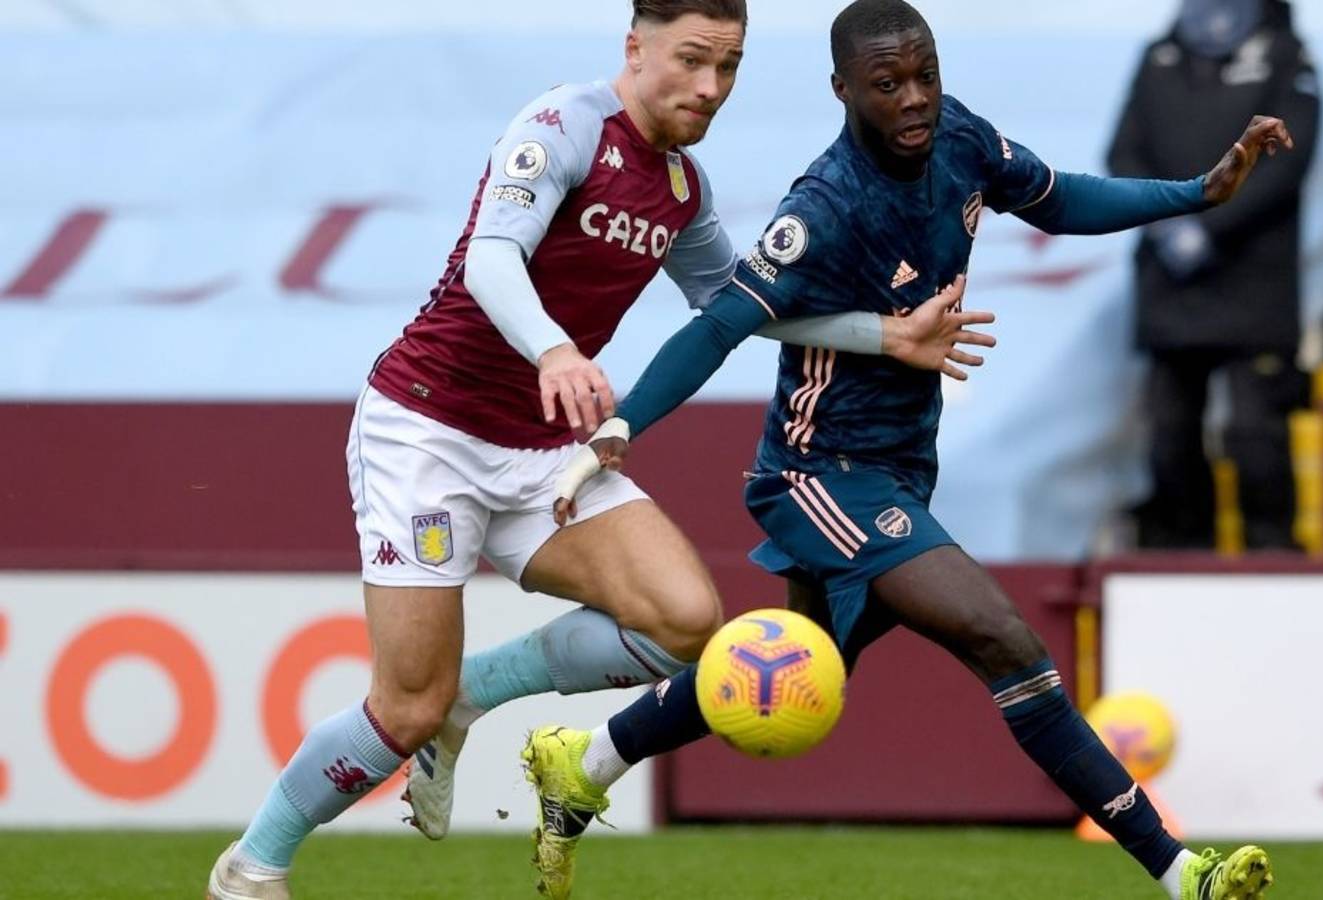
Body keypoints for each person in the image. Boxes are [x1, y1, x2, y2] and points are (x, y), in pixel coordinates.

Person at [204, 1, 992, 896]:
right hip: (426, 430)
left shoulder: (683, 189)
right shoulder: (563, 125)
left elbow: (739, 304)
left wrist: (885, 336)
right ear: (635, 47)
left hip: (540, 450)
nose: (710, 87)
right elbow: (490, 259)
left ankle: (474, 695)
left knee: (687, 623)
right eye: (692, 60)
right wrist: (554, 348)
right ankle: (252, 866)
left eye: (728, 67)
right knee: (403, 706)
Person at [528, 2, 1295, 898]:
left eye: (925, 73)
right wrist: (621, 427)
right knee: (1005, 640)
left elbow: (1059, 197)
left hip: (898, 469)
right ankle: (1179, 872)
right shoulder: (824, 207)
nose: (916, 98)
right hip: (816, 475)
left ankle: (585, 762)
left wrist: (1195, 192)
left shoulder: (960, 136)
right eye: (888, 84)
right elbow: (720, 324)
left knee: (790, 663)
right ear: (843, 90)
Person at [1108, 0, 1320, 552]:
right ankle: (1182, 561)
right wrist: (1164, 222)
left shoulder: (1288, 57)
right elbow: (1123, 152)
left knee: (1256, 435)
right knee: (1170, 438)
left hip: (1253, 281)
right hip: (1171, 283)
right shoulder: (1159, 56)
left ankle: (1273, 559)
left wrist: (1212, 227)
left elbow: (1289, 163)